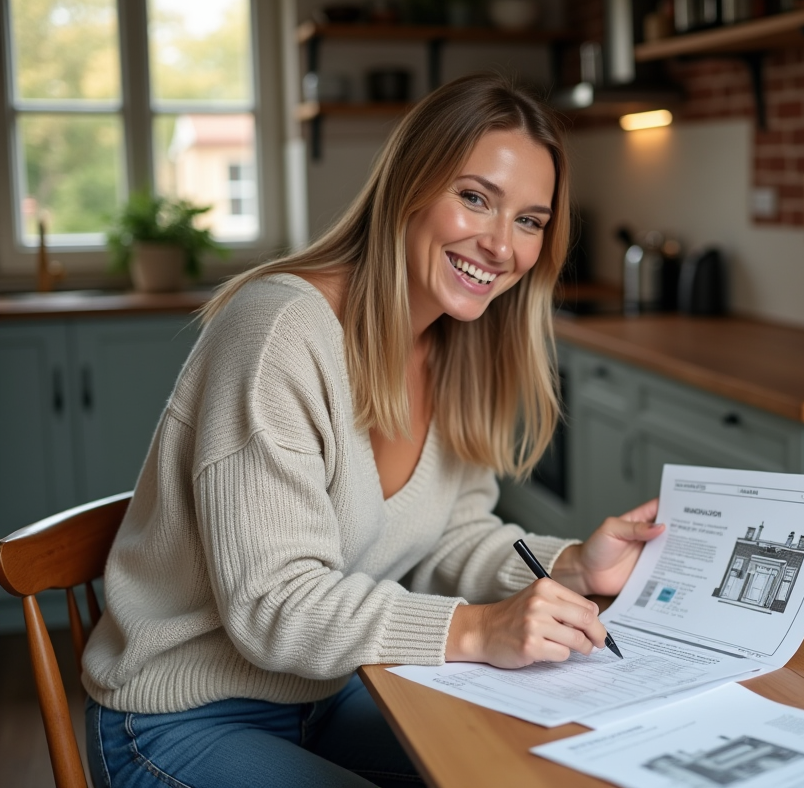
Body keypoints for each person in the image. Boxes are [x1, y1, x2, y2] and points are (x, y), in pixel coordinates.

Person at [81, 73, 663, 788]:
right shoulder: (279, 331)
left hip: (330, 689)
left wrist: (576, 565)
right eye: (474, 197)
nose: (499, 245)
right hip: (186, 714)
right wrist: (479, 630)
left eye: (530, 220)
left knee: (529, 768)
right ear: (409, 188)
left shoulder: (457, 345)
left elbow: (451, 535)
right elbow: (272, 605)